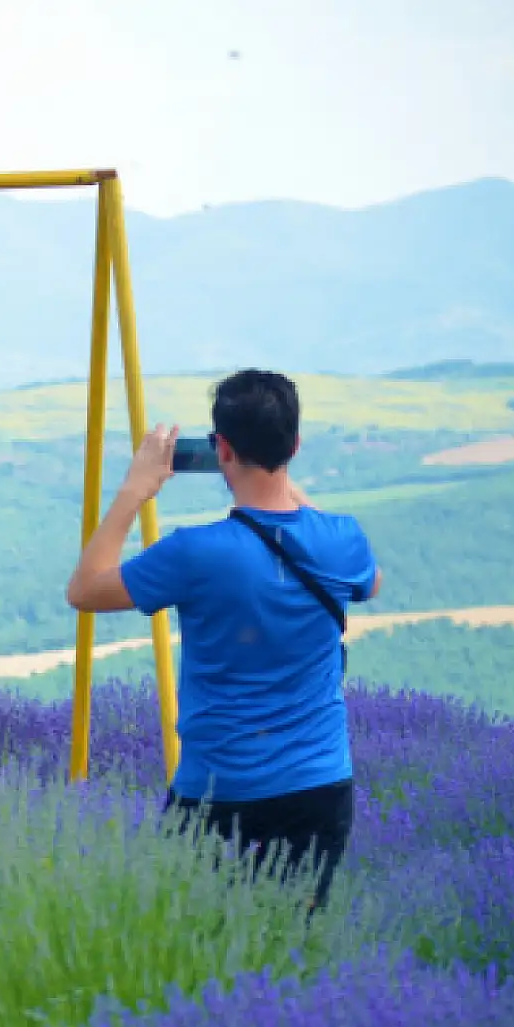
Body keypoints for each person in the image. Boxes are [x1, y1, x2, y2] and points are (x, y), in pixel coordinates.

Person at [64, 368, 382, 909]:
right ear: (296, 444)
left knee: (198, 952)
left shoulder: (195, 553)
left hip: (218, 789)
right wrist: (279, 482)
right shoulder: (343, 539)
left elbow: (85, 590)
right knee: (293, 951)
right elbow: (367, 583)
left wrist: (134, 491)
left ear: (222, 449)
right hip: (320, 786)